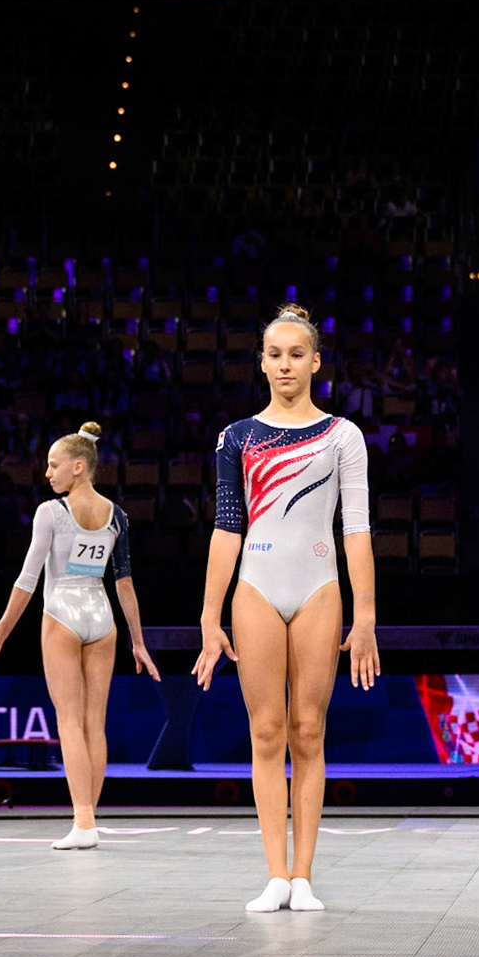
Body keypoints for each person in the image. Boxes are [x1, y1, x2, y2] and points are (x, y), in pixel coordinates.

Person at [194, 305, 379, 913]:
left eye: (296, 355)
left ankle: (303, 875)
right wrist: (208, 617)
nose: (284, 365)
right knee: (267, 730)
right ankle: (275, 874)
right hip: (257, 587)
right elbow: (228, 529)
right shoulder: (238, 437)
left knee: (308, 728)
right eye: (274, 354)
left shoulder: (343, 435)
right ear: (262, 361)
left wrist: (367, 617)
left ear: (316, 362)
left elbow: (357, 530)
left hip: (320, 587)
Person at [0, 421, 159, 850]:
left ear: (78, 466)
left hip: (63, 615)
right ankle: (89, 819)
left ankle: (83, 823)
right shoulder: (117, 515)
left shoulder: (51, 512)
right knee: (95, 725)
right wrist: (138, 641)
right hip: (102, 617)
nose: (47, 473)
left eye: (54, 465)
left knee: (70, 722)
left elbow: (27, 579)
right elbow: (124, 583)